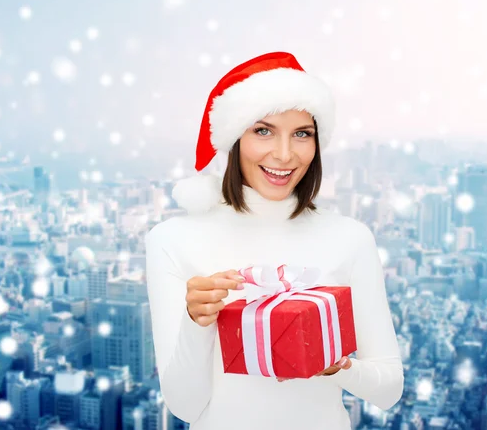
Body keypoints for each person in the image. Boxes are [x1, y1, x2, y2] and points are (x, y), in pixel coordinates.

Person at [145, 52, 403, 430]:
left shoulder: (349, 239)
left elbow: (389, 389)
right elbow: (185, 406)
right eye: (263, 130)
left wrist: (335, 366)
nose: (284, 154)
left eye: (302, 133)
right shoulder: (173, 240)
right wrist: (196, 322)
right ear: (234, 138)